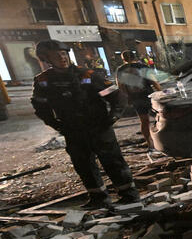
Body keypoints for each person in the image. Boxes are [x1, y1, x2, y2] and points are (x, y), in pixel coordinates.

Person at [30, 40, 139, 208]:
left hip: (99, 127)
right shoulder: (43, 81)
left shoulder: (87, 75)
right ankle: (98, 198)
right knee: (83, 165)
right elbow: (40, 105)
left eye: (64, 54)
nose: (62, 57)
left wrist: (112, 118)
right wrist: (54, 124)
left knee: (113, 161)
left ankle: (129, 195)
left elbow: (117, 97)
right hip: (73, 130)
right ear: (46, 59)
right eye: (56, 55)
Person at [116, 44, 162, 149]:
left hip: (135, 98)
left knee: (144, 121)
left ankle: (150, 142)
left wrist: (127, 98)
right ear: (134, 57)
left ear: (123, 59)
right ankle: (160, 139)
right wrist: (161, 92)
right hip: (148, 95)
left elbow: (120, 86)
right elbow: (154, 82)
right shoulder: (143, 67)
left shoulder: (121, 70)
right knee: (159, 117)